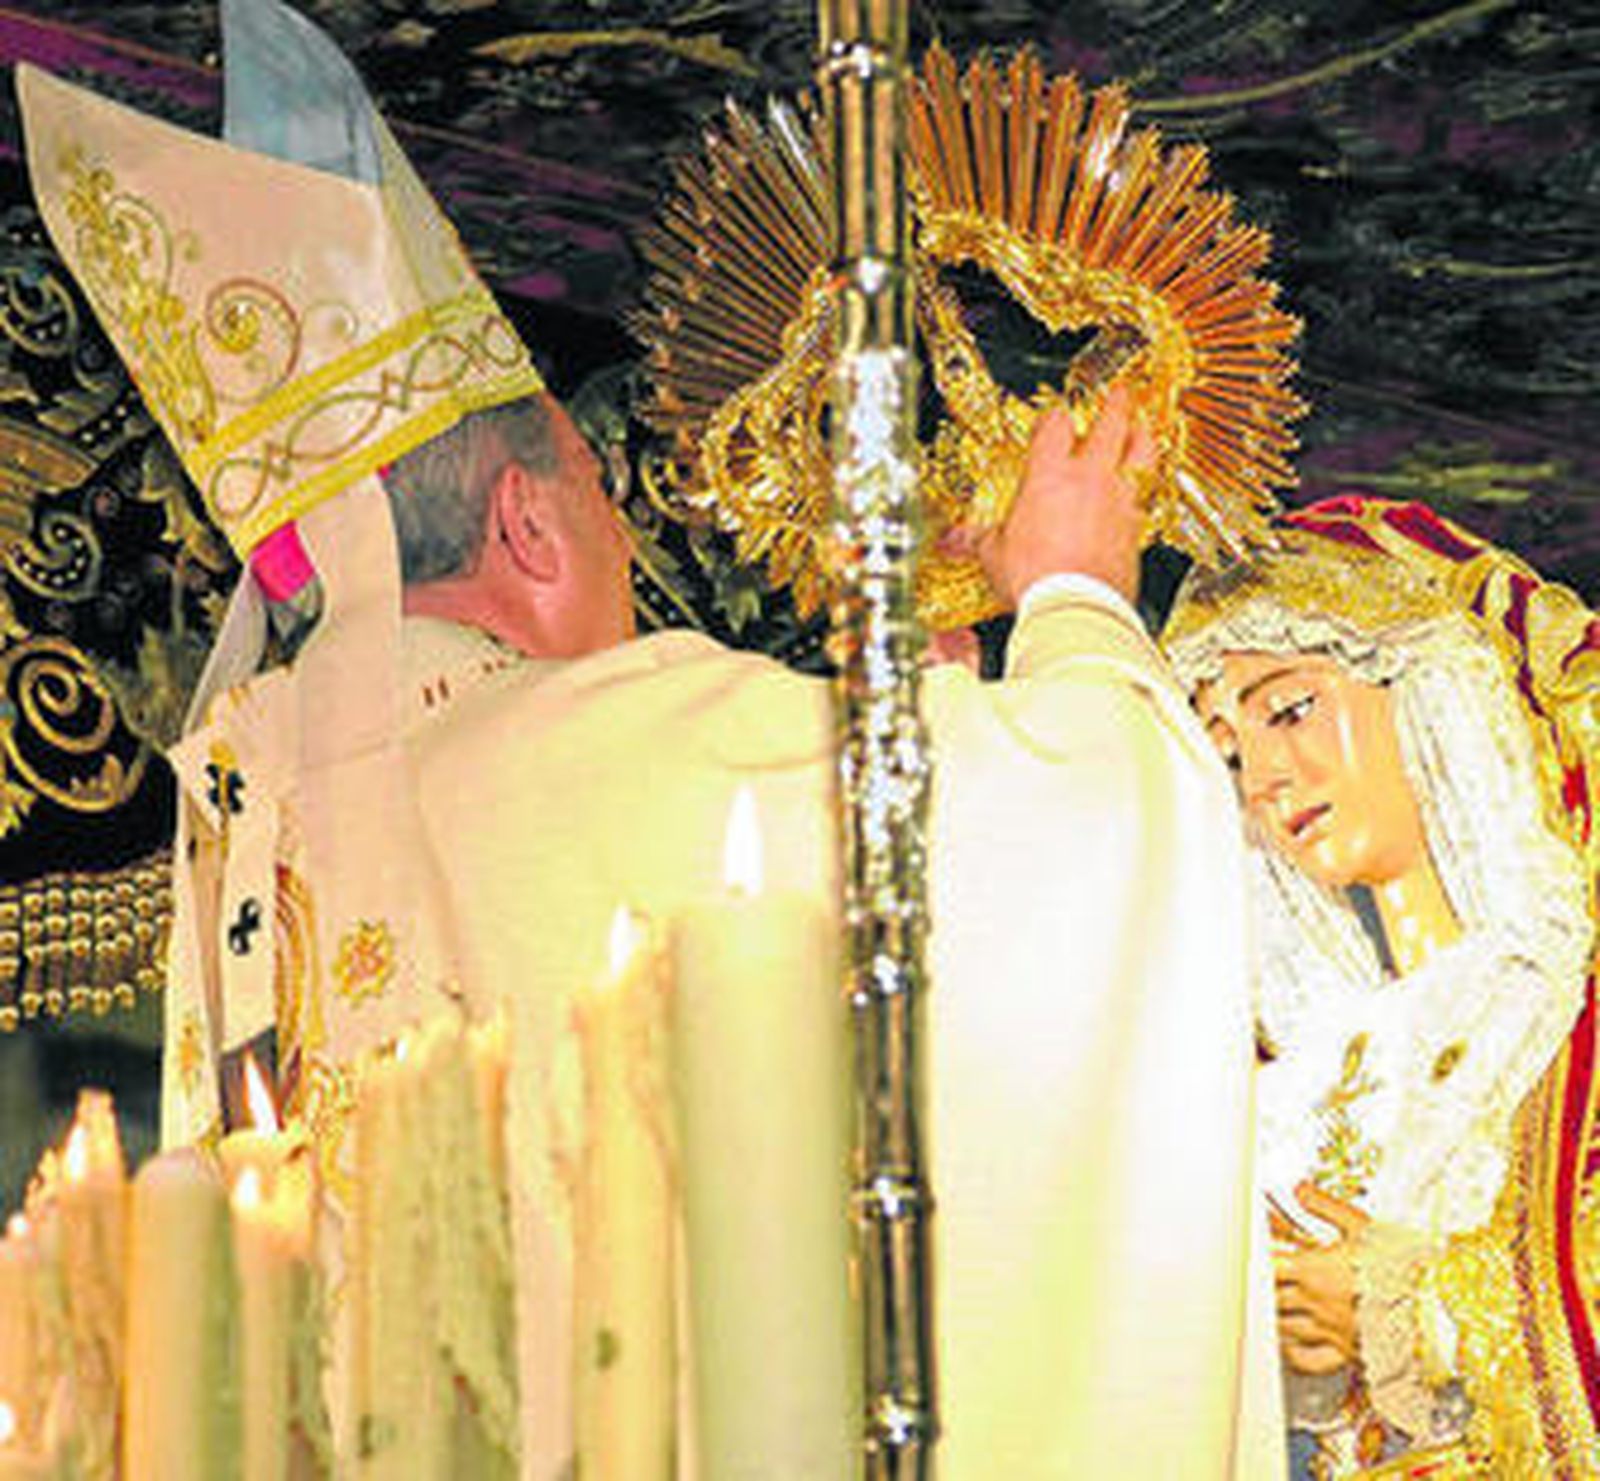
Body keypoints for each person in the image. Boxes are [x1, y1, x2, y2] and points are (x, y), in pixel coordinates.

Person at [21, 4, 1283, 1473]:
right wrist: (1072, 597)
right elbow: (1081, 841)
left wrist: (933, 711)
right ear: (529, 526)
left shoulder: (242, 838)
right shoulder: (565, 737)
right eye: (616, 533)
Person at [1163, 496, 1600, 1477]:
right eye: (1229, 750)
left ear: (1430, 690)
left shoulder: (1557, 1006)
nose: (1265, 776)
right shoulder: (1297, 1082)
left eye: (1289, 706)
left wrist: (1413, 1307)